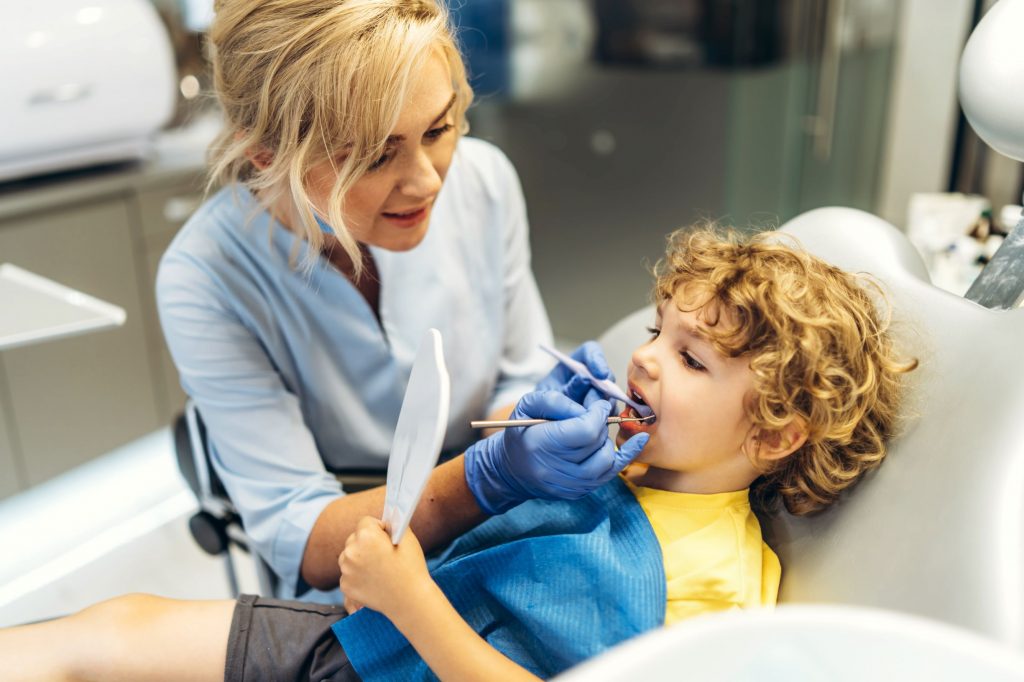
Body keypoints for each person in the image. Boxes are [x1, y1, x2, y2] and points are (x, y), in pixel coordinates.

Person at [2, 225, 916, 681]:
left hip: (395, 639)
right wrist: (491, 472)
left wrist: (412, 595)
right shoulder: (614, 463)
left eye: (690, 357)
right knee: (109, 632)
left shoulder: (715, 581)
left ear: (775, 434)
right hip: (363, 641)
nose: (641, 356)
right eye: (656, 329)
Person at [155, 0, 636, 602]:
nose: (428, 180)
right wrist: (486, 477)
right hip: (353, 571)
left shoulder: (483, 182)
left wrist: (538, 423)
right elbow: (299, 534)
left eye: (437, 129)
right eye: (375, 155)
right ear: (266, 154)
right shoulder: (205, 276)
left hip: (498, 527)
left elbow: (516, 373)